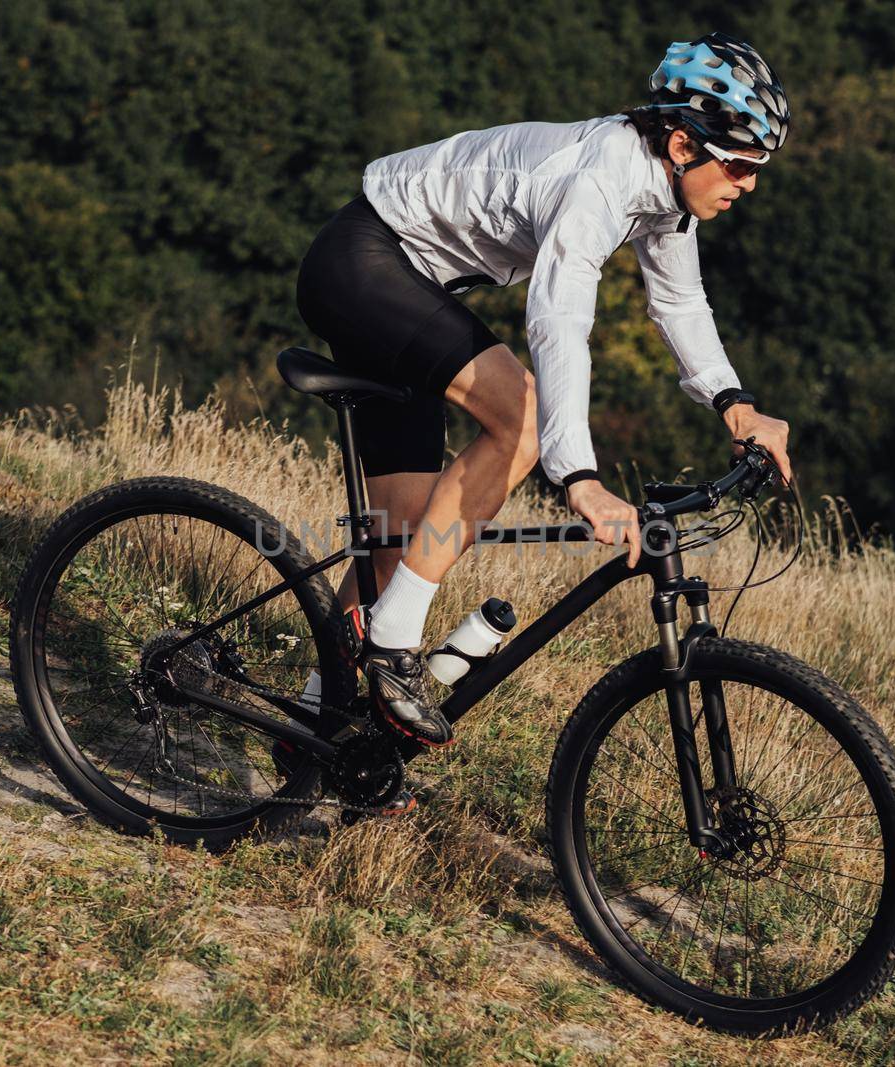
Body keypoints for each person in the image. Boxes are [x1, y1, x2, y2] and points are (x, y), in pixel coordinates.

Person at [294, 32, 794, 749]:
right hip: (363, 263)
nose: (747, 185)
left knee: (400, 542)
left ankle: (319, 731)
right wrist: (579, 477)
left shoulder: (663, 193)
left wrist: (734, 405)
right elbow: (559, 321)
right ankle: (392, 647)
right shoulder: (600, 177)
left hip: (408, 285)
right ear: (684, 144)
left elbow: (679, 303)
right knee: (520, 418)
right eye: (741, 165)